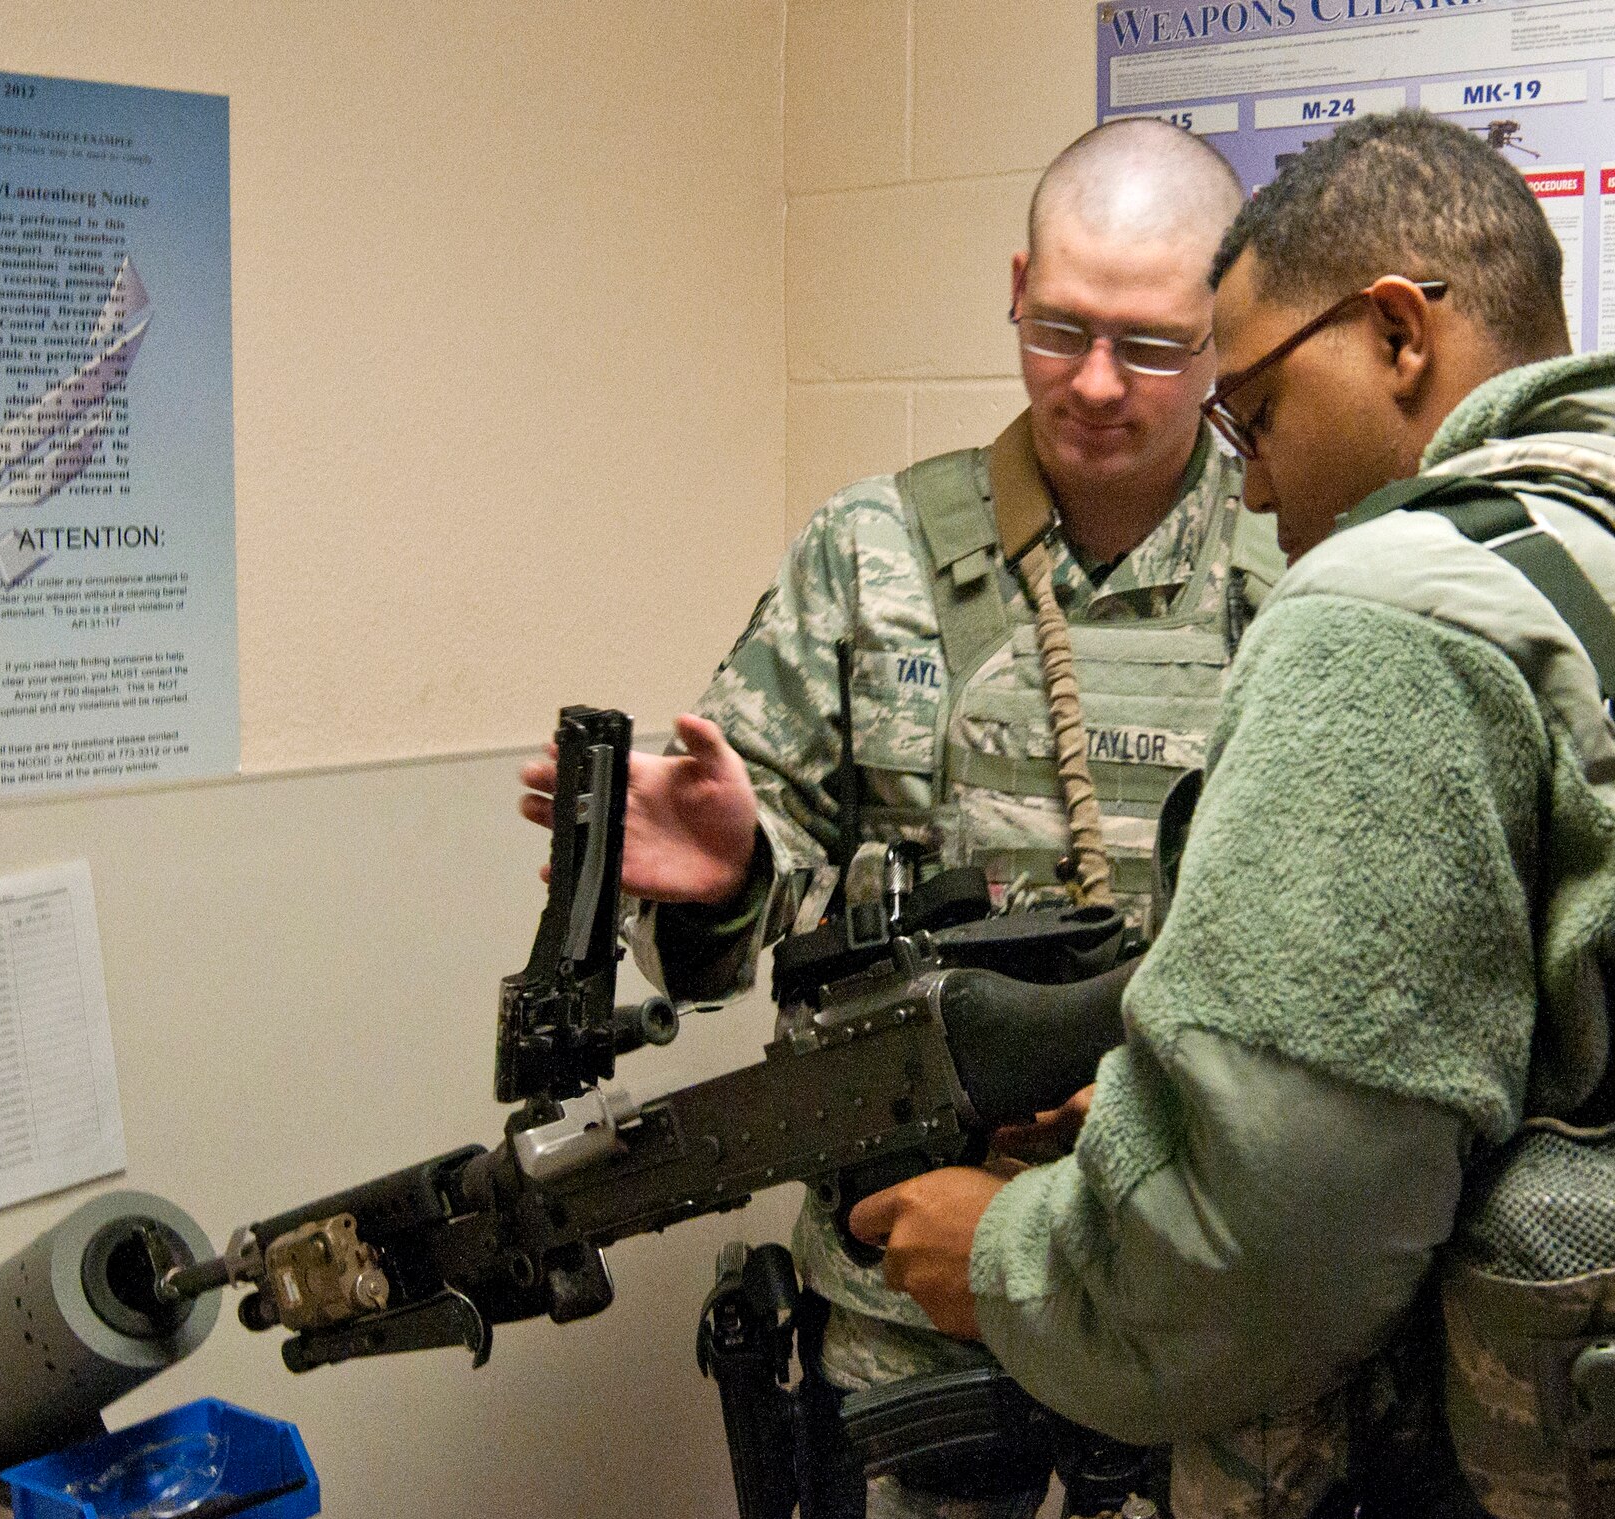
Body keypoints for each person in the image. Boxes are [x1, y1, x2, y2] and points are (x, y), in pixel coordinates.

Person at [849, 110, 1615, 1518]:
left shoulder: (1387, 608)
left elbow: (1268, 1255)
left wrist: (1005, 1255)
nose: (1257, 474)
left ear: (1399, 335)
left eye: (1259, 410)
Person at [522, 118, 1278, 1518]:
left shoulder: (1308, 565)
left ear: (1230, 327)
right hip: (904, 1284)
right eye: (1059, 328)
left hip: (1199, 1279)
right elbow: (722, 933)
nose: (1096, 384)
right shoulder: (869, 555)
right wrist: (723, 879)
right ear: (1013, 287)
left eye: (1154, 345)